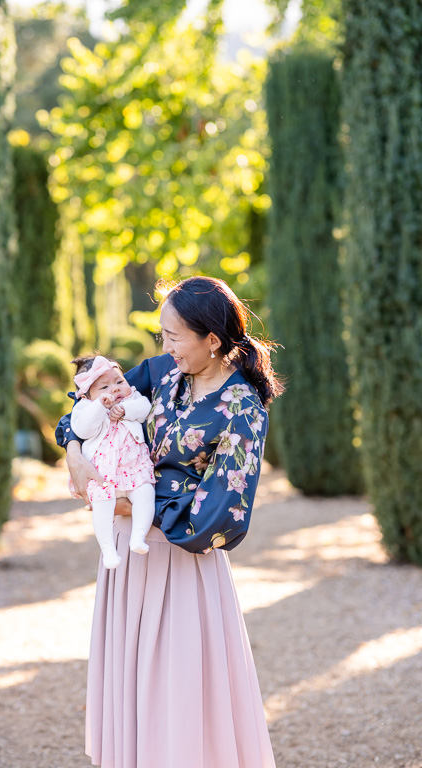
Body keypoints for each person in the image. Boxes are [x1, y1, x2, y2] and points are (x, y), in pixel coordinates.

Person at [56, 276, 284, 768]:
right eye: (162, 335)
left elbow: (223, 515)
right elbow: (83, 408)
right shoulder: (161, 372)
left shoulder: (242, 406)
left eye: (173, 336)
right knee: (132, 691)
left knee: (178, 697)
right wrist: (75, 453)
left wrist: (134, 505)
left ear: (213, 340)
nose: (164, 347)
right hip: (125, 556)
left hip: (182, 566)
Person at [69, 354, 156, 568]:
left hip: (134, 468)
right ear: (88, 395)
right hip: (103, 472)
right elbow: (82, 429)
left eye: (119, 382)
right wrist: (99, 406)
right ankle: (108, 550)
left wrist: (126, 410)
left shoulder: (132, 399)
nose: (115, 389)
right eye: (104, 387)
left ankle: (138, 536)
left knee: (146, 494)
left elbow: (145, 409)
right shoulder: (84, 408)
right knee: (102, 507)